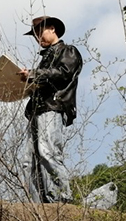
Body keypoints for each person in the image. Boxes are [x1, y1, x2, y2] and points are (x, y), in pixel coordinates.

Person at [18, 16, 83, 203]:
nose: (38, 38)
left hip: (53, 107)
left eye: (40, 32)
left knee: (48, 153)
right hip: (36, 111)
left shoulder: (68, 51)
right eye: (35, 35)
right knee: (27, 162)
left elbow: (63, 74)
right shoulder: (45, 58)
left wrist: (33, 74)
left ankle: (62, 199)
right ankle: (39, 206)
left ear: (52, 29)